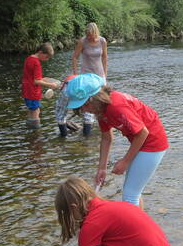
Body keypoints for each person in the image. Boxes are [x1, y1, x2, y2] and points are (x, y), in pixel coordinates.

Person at [66, 74, 168, 209]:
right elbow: (106, 137)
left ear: (94, 98)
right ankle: (141, 223)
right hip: (141, 141)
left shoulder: (116, 106)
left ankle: (133, 229)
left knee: (130, 195)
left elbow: (143, 133)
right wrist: (102, 168)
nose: (84, 110)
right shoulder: (100, 110)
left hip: (153, 142)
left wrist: (125, 161)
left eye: (84, 105)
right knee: (133, 191)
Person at [72, 22, 108, 136]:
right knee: (88, 102)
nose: (89, 37)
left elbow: (105, 57)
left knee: (102, 102)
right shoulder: (83, 41)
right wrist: (76, 75)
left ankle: (103, 127)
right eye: (87, 35)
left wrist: (105, 75)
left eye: (90, 35)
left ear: (95, 32)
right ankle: (87, 130)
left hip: (99, 75)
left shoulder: (102, 41)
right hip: (86, 76)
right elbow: (74, 57)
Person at [21, 43, 59, 129]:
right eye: (47, 57)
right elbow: (36, 81)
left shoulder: (29, 59)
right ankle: (36, 132)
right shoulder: (36, 63)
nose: (47, 59)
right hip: (33, 92)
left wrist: (43, 79)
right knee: (36, 111)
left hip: (26, 90)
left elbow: (30, 77)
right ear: (41, 52)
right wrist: (51, 84)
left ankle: (29, 129)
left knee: (31, 110)